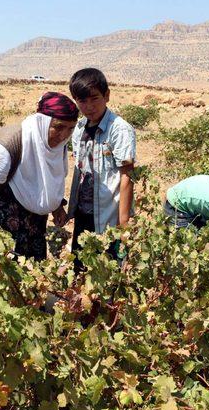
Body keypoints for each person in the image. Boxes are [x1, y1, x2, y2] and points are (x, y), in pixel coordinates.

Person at [0, 92, 79, 260]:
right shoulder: (7, 147)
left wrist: (56, 206)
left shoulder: (56, 146)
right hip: (0, 240)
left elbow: (44, 180)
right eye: (58, 127)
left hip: (33, 234)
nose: (64, 135)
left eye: (70, 128)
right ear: (41, 123)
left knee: (33, 281)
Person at [67, 68, 136, 270]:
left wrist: (123, 224)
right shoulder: (79, 128)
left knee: (109, 274)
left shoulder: (119, 129)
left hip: (109, 216)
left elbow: (127, 176)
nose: (89, 107)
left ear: (107, 96)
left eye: (94, 99)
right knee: (81, 270)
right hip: (84, 213)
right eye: (82, 101)